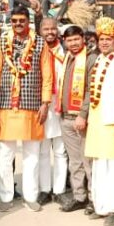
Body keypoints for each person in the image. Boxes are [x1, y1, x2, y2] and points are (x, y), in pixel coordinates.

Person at [0, 6, 54, 212]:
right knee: (5, 155)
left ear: (28, 21)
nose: (18, 24)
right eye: (14, 21)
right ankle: (6, 196)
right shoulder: (2, 42)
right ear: (11, 22)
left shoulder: (40, 43)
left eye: (22, 21)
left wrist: (45, 103)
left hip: (32, 106)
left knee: (32, 155)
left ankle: (30, 196)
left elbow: (47, 75)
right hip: (5, 105)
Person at [84, 17, 114, 226]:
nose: (104, 42)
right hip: (97, 120)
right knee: (99, 164)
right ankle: (101, 206)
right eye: (101, 39)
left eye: (108, 39)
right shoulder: (98, 59)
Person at [56, 26, 97, 213]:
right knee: (74, 161)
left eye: (76, 39)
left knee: (88, 161)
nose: (73, 43)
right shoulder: (67, 58)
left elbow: (90, 89)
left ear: (83, 39)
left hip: (82, 119)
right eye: (69, 40)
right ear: (65, 41)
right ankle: (79, 196)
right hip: (66, 117)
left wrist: (83, 114)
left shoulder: (90, 58)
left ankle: (94, 198)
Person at [37, 18, 68, 205]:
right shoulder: (35, 49)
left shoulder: (66, 49)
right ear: (40, 31)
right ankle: (44, 189)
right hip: (42, 105)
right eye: (46, 29)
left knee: (60, 151)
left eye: (53, 29)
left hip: (62, 105)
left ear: (58, 30)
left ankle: (59, 190)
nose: (50, 32)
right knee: (42, 151)